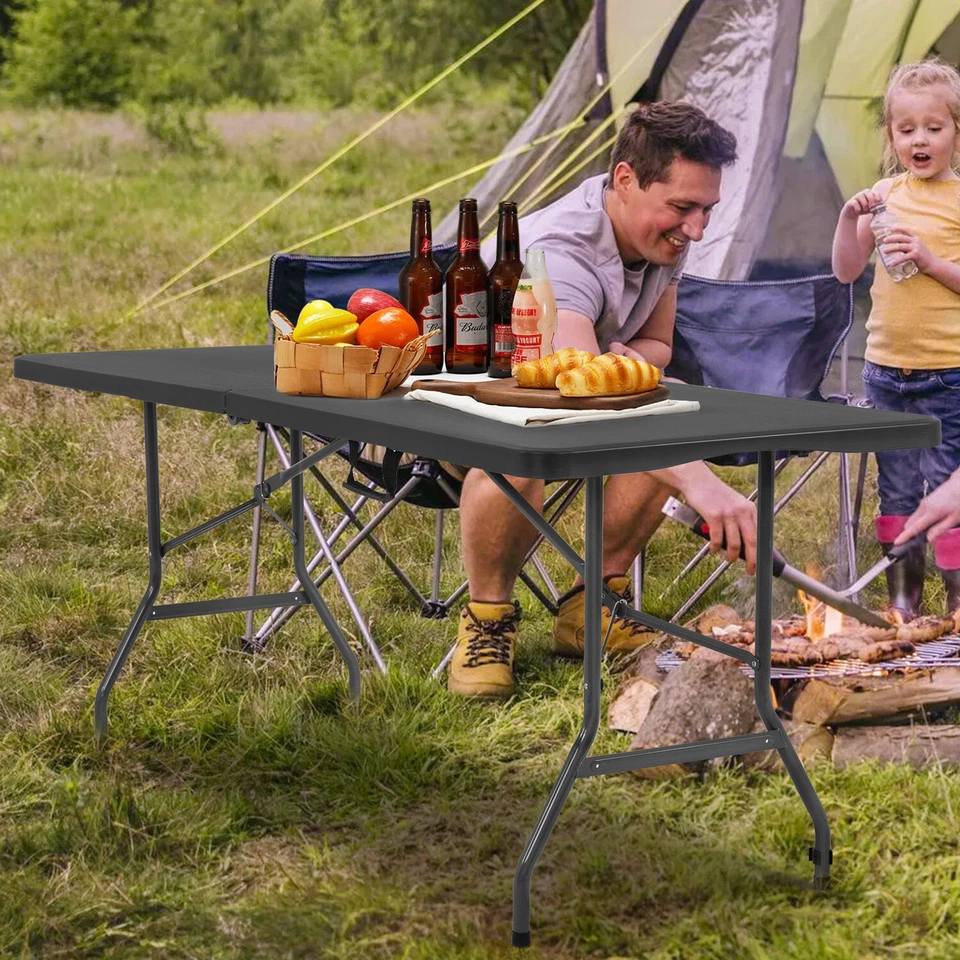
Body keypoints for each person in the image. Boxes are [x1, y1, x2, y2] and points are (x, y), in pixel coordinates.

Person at [448, 101, 758, 698]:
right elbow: (578, 401)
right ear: (624, 180)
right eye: (682, 208)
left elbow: (659, 347)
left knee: (663, 396)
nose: (696, 230)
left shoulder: (661, 234)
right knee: (524, 440)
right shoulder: (558, 253)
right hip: (456, 411)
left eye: (707, 210)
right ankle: (487, 621)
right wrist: (697, 481)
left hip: (553, 406)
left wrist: (620, 366)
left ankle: (593, 608)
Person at [832, 58, 960, 620]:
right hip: (885, 371)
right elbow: (844, 270)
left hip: (948, 372)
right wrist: (846, 220)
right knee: (898, 491)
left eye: (934, 127)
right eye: (907, 130)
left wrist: (931, 261)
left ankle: (958, 604)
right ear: (891, 135)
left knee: (947, 493)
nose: (920, 139)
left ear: (956, 130)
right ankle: (902, 605)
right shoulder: (883, 196)